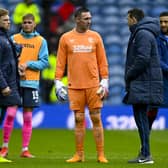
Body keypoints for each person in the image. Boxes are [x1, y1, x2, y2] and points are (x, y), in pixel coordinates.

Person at [55, 7, 109, 163]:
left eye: (90, 18)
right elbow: (60, 62)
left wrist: (104, 80)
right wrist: (58, 81)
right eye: (86, 18)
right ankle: (79, 154)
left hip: (93, 85)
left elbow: (102, 60)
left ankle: (100, 154)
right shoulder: (66, 38)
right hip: (74, 85)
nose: (89, 21)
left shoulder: (96, 37)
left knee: (96, 118)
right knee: (78, 118)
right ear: (77, 19)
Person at [0, 13, 49, 158]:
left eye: (29, 22)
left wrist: (28, 65)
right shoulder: (14, 39)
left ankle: (25, 149)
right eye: (24, 22)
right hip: (14, 82)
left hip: (31, 82)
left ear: (34, 24)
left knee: (27, 117)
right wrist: (17, 68)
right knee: (10, 114)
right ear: (21, 24)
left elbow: (45, 62)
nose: (27, 24)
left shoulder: (41, 41)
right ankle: (4, 147)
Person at [123, 8, 163, 164]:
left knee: (141, 119)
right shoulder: (142, 33)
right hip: (144, 82)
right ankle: (145, 153)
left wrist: (129, 74)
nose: (127, 22)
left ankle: (146, 155)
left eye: (128, 19)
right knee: (141, 119)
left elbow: (142, 59)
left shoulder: (142, 34)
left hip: (143, 82)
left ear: (133, 19)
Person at [0, 7, 22, 163]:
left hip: (9, 82)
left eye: (9, 19)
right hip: (3, 85)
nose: (9, 22)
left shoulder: (5, 37)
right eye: (6, 20)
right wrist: (3, 85)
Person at [147, 11, 168, 130]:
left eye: (166, 22)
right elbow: (156, 59)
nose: (163, 24)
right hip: (158, 80)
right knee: (152, 109)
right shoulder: (155, 38)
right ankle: (145, 139)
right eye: (161, 22)